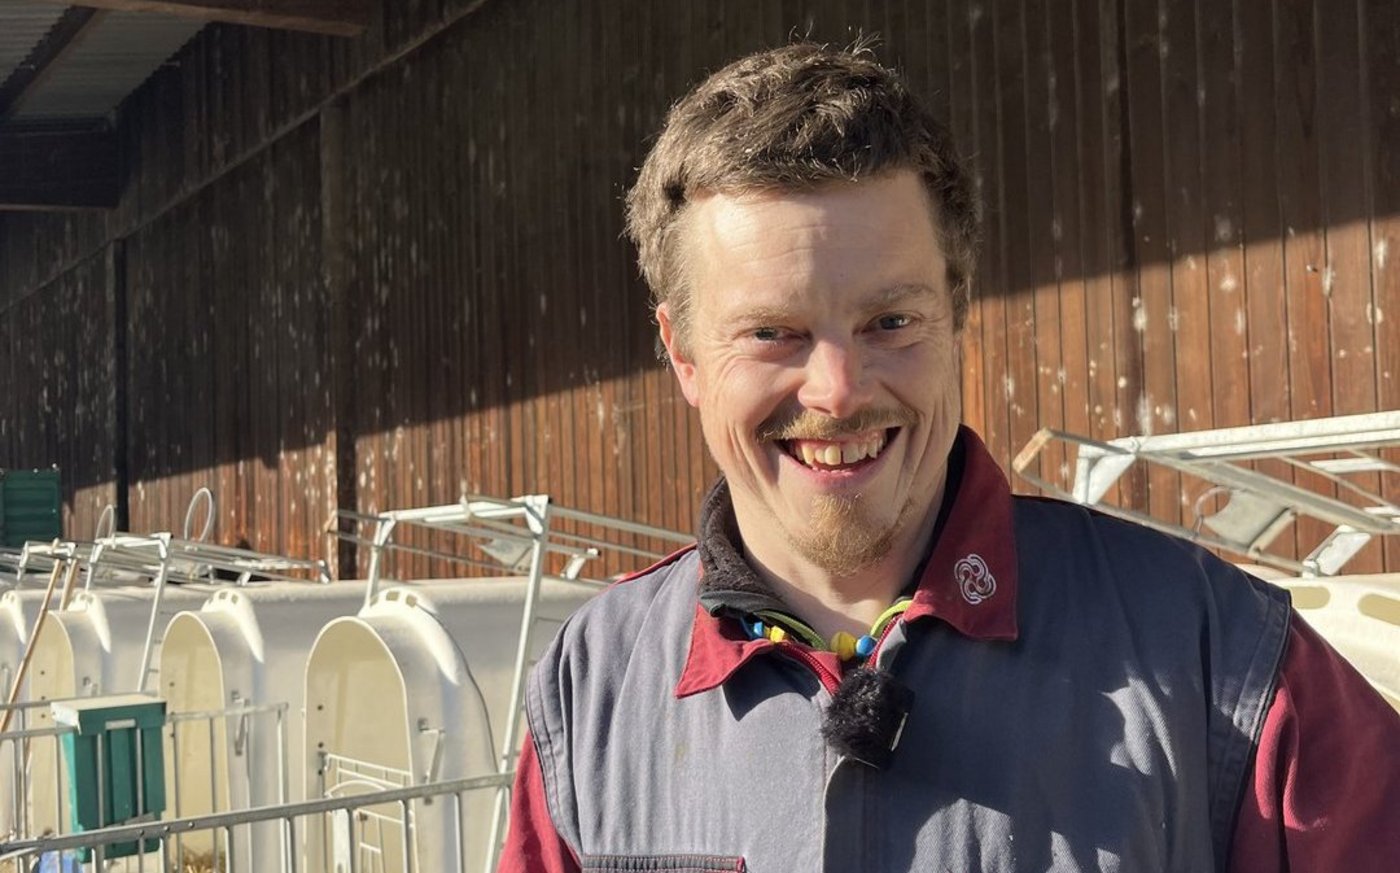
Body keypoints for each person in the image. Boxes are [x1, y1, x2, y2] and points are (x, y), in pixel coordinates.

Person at [497, 42, 1400, 872]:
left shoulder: (1221, 663)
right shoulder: (592, 693)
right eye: (772, 332)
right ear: (684, 354)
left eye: (891, 320)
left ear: (956, 313)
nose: (838, 389)